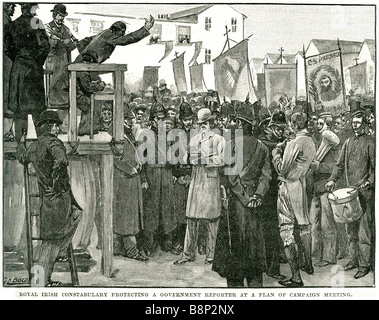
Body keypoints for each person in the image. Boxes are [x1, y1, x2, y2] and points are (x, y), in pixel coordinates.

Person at [17, 110, 82, 286]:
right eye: (53, 125)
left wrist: (21, 143)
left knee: (57, 233)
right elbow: (60, 161)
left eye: (57, 125)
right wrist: (57, 185)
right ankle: (43, 278)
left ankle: (44, 275)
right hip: (58, 200)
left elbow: (22, 157)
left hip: (46, 202)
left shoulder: (35, 145)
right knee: (55, 238)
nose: (56, 128)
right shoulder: (55, 143)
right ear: (47, 127)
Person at [212, 105, 272, 287]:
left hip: (236, 203)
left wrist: (245, 199)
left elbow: (231, 178)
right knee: (253, 249)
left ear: (239, 124)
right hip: (255, 203)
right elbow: (266, 176)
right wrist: (258, 197)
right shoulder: (262, 147)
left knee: (235, 251)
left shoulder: (230, 145)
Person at [326, 108, 375, 279]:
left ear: (365, 125)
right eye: (353, 123)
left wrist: (369, 181)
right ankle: (354, 260)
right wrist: (332, 179)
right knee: (350, 230)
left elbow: (376, 169)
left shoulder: (371, 142)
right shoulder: (347, 143)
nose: (355, 126)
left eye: (358, 123)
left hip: (365, 195)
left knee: (364, 232)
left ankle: (364, 265)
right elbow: (339, 165)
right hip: (349, 195)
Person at [174, 108, 225, 265]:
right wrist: (189, 157)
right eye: (201, 123)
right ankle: (188, 253)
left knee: (212, 219)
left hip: (210, 181)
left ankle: (212, 254)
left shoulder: (219, 139)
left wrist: (204, 159)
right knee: (191, 217)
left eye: (206, 123)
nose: (203, 125)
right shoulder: (194, 139)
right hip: (196, 181)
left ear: (211, 123)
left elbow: (222, 159)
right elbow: (186, 157)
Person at [272, 112, 316, 287]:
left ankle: (296, 277)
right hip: (302, 185)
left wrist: (276, 153)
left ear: (295, 125)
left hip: (289, 187)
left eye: (291, 124)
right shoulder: (311, 141)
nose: (289, 127)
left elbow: (282, 169)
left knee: (286, 230)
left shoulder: (294, 142)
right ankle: (309, 264)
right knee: (304, 225)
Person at [7, 3, 50, 141]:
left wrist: (20, 58)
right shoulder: (36, 21)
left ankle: (20, 145)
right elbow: (45, 46)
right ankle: (42, 144)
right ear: (29, 8)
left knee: (19, 110)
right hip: (32, 69)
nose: (37, 9)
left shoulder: (13, 24)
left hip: (18, 68)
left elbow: (7, 48)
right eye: (35, 7)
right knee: (37, 108)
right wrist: (35, 61)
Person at [139, 102, 177, 256]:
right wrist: (143, 179)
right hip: (152, 174)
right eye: (158, 118)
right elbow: (140, 159)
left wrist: (174, 172)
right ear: (153, 120)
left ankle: (167, 241)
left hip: (166, 175)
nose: (161, 122)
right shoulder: (144, 135)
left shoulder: (170, 135)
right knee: (152, 209)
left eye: (163, 118)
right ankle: (149, 243)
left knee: (167, 208)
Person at [112, 110, 148, 262]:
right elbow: (116, 156)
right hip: (125, 181)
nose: (131, 122)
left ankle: (120, 248)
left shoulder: (129, 135)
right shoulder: (120, 134)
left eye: (132, 119)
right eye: (128, 119)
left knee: (127, 215)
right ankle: (131, 250)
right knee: (127, 216)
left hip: (131, 181)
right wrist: (130, 168)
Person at [309, 112, 340, 268]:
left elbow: (336, 167)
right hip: (315, 188)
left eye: (322, 124)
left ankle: (329, 257)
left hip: (326, 187)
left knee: (327, 223)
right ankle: (316, 255)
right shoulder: (316, 140)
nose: (318, 126)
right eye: (318, 123)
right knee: (314, 224)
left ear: (328, 125)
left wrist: (318, 166)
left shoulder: (334, 146)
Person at [259, 110, 287, 281]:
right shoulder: (265, 144)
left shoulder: (279, 143)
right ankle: (272, 267)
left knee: (277, 228)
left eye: (282, 128)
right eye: (277, 128)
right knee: (270, 229)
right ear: (270, 127)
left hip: (278, 190)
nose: (279, 131)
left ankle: (275, 260)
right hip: (268, 192)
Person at [171, 102, 195, 255]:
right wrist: (176, 176)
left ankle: (192, 243)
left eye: (190, 119)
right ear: (180, 119)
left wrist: (192, 176)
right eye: (186, 119)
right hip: (179, 177)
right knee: (180, 212)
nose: (188, 122)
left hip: (192, 176)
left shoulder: (195, 133)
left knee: (192, 211)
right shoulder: (174, 134)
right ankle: (178, 242)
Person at [79, 16, 154, 64]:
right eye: (123, 32)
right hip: (88, 62)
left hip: (83, 60)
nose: (123, 34)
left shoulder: (105, 32)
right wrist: (145, 29)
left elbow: (83, 41)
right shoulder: (111, 36)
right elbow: (127, 39)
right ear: (118, 30)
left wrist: (84, 53)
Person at [44, 4, 77, 106]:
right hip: (53, 59)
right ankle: (53, 101)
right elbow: (51, 41)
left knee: (65, 80)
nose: (61, 18)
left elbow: (74, 40)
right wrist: (63, 41)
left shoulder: (66, 29)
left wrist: (72, 42)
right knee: (55, 79)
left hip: (64, 58)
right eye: (59, 15)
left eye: (63, 16)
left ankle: (64, 101)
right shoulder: (48, 27)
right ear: (54, 15)